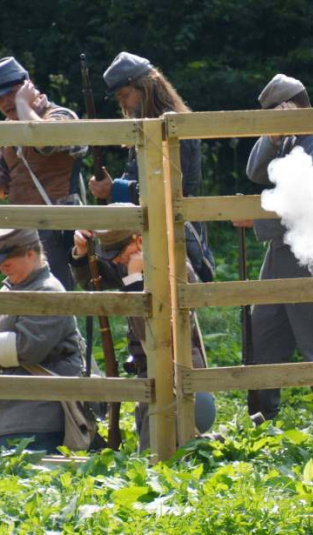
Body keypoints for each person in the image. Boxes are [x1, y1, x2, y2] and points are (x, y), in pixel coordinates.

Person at [233, 74, 313, 421]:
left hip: (312, 251)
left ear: (289, 107)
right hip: (283, 250)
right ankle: (263, 410)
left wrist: (259, 220)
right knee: (263, 327)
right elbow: (255, 172)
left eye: (273, 114)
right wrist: (271, 135)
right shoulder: (287, 140)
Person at [69, 222, 216, 451]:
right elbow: (94, 279)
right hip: (148, 373)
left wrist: (135, 281)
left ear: (139, 240)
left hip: (174, 374)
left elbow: (154, 335)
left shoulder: (176, 269)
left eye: (118, 254)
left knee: (157, 456)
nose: (115, 260)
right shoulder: (133, 259)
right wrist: (80, 253)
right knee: (151, 449)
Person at [89, 52, 215, 282]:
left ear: (146, 88)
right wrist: (109, 189)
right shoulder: (143, 131)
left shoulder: (177, 127)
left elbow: (173, 187)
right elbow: (135, 179)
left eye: (125, 95)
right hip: (147, 234)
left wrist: (114, 188)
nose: (124, 104)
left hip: (177, 234)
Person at [0, 57, 88, 291]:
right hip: (19, 227)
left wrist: (23, 105)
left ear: (29, 88)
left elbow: (46, 143)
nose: (6, 102)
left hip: (56, 225)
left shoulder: (61, 115)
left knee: (54, 297)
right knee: (21, 296)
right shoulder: (7, 131)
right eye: (0, 97)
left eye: (12, 93)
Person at [0, 229, 84, 452]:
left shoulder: (48, 290)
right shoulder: (11, 288)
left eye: (8, 259)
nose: (3, 267)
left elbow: (26, 348)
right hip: (13, 416)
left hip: (38, 418)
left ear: (30, 253)